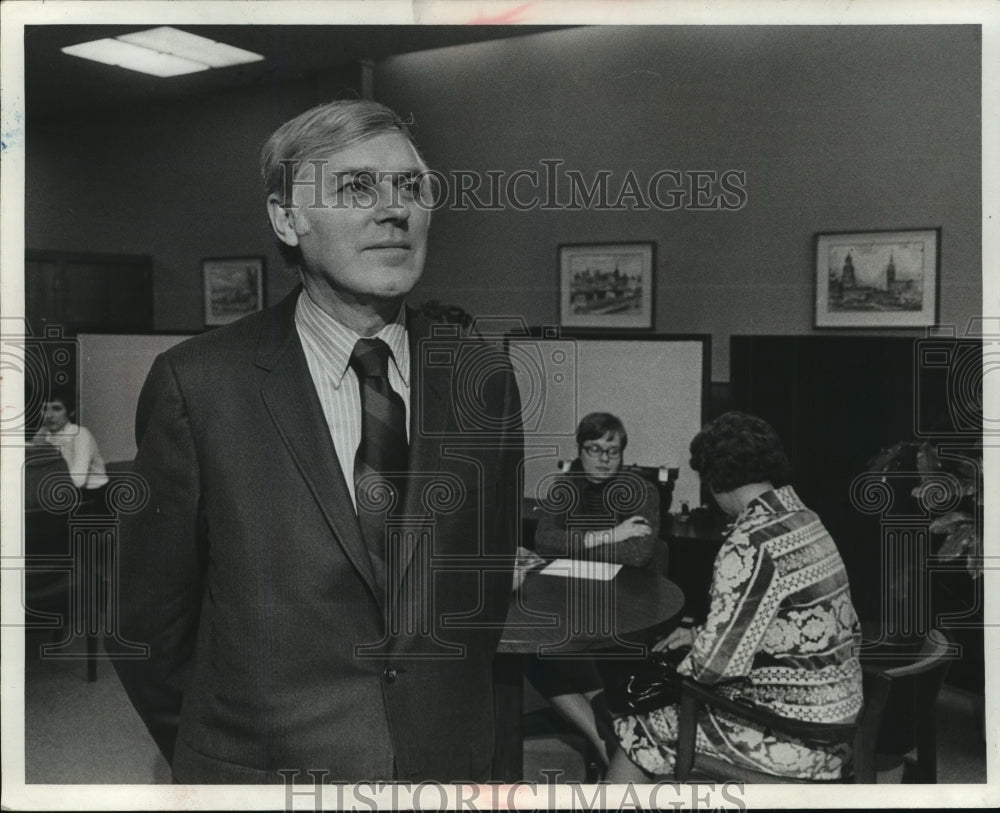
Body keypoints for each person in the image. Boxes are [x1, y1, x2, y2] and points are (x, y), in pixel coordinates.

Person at [108, 99, 523, 783]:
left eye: (411, 187)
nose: (395, 210)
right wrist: (225, 759)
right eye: (357, 186)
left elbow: (481, 598)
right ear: (287, 217)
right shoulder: (199, 385)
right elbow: (148, 621)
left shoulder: (484, 381)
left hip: (441, 768)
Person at [606, 411, 863, 781]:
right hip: (840, 723)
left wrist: (679, 664)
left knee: (640, 726)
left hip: (798, 739)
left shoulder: (749, 542)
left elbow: (711, 669)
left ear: (713, 481)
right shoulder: (805, 518)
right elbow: (782, 620)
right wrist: (698, 636)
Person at [527, 412, 659, 766]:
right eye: (593, 449)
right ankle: (607, 746)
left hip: (622, 605)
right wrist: (611, 535)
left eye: (611, 451)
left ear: (622, 454)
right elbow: (543, 542)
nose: (602, 459)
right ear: (580, 450)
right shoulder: (564, 487)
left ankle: (609, 745)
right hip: (567, 599)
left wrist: (575, 544)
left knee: (587, 662)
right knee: (537, 657)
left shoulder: (641, 490)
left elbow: (638, 553)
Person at [30, 391, 109, 509]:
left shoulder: (80, 434)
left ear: (71, 412)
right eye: (45, 409)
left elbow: (78, 480)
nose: (49, 415)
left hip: (92, 497)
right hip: (62, 493)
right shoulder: (44, 435)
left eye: (57, 409)